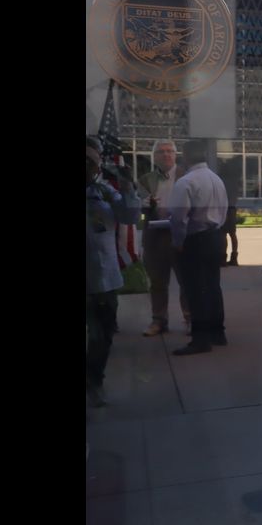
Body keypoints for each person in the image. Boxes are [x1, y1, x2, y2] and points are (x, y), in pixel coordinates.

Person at [86, 137, 142, 407]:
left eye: (91, 160)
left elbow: (130, 217)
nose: (87, 165)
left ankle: (94, 381)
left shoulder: (105, 191)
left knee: (103, 335)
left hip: (104, 278)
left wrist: (128, 186)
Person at [168, 139, 230, 356]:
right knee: (213, 286)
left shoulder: (186, 182)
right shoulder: (216, 179)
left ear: (185, 156)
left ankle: (200, 339)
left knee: (195, 290)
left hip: (195, 239)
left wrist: (178, 242)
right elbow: (223, 211)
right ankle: (217, 333)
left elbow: (178, 218)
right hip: (216, 236)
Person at [138, 139, 190, 336]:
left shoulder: (187, 176)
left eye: (169, 151)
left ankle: (190, 317)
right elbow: (137, 205)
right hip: (155, 237)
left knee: (186, 280)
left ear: (175, 155)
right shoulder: (145, 179)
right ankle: (159, 320)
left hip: (181, 236)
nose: (166, 154)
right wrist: (145, 203)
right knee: (157, 282)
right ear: (154, 157)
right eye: (161, 151)